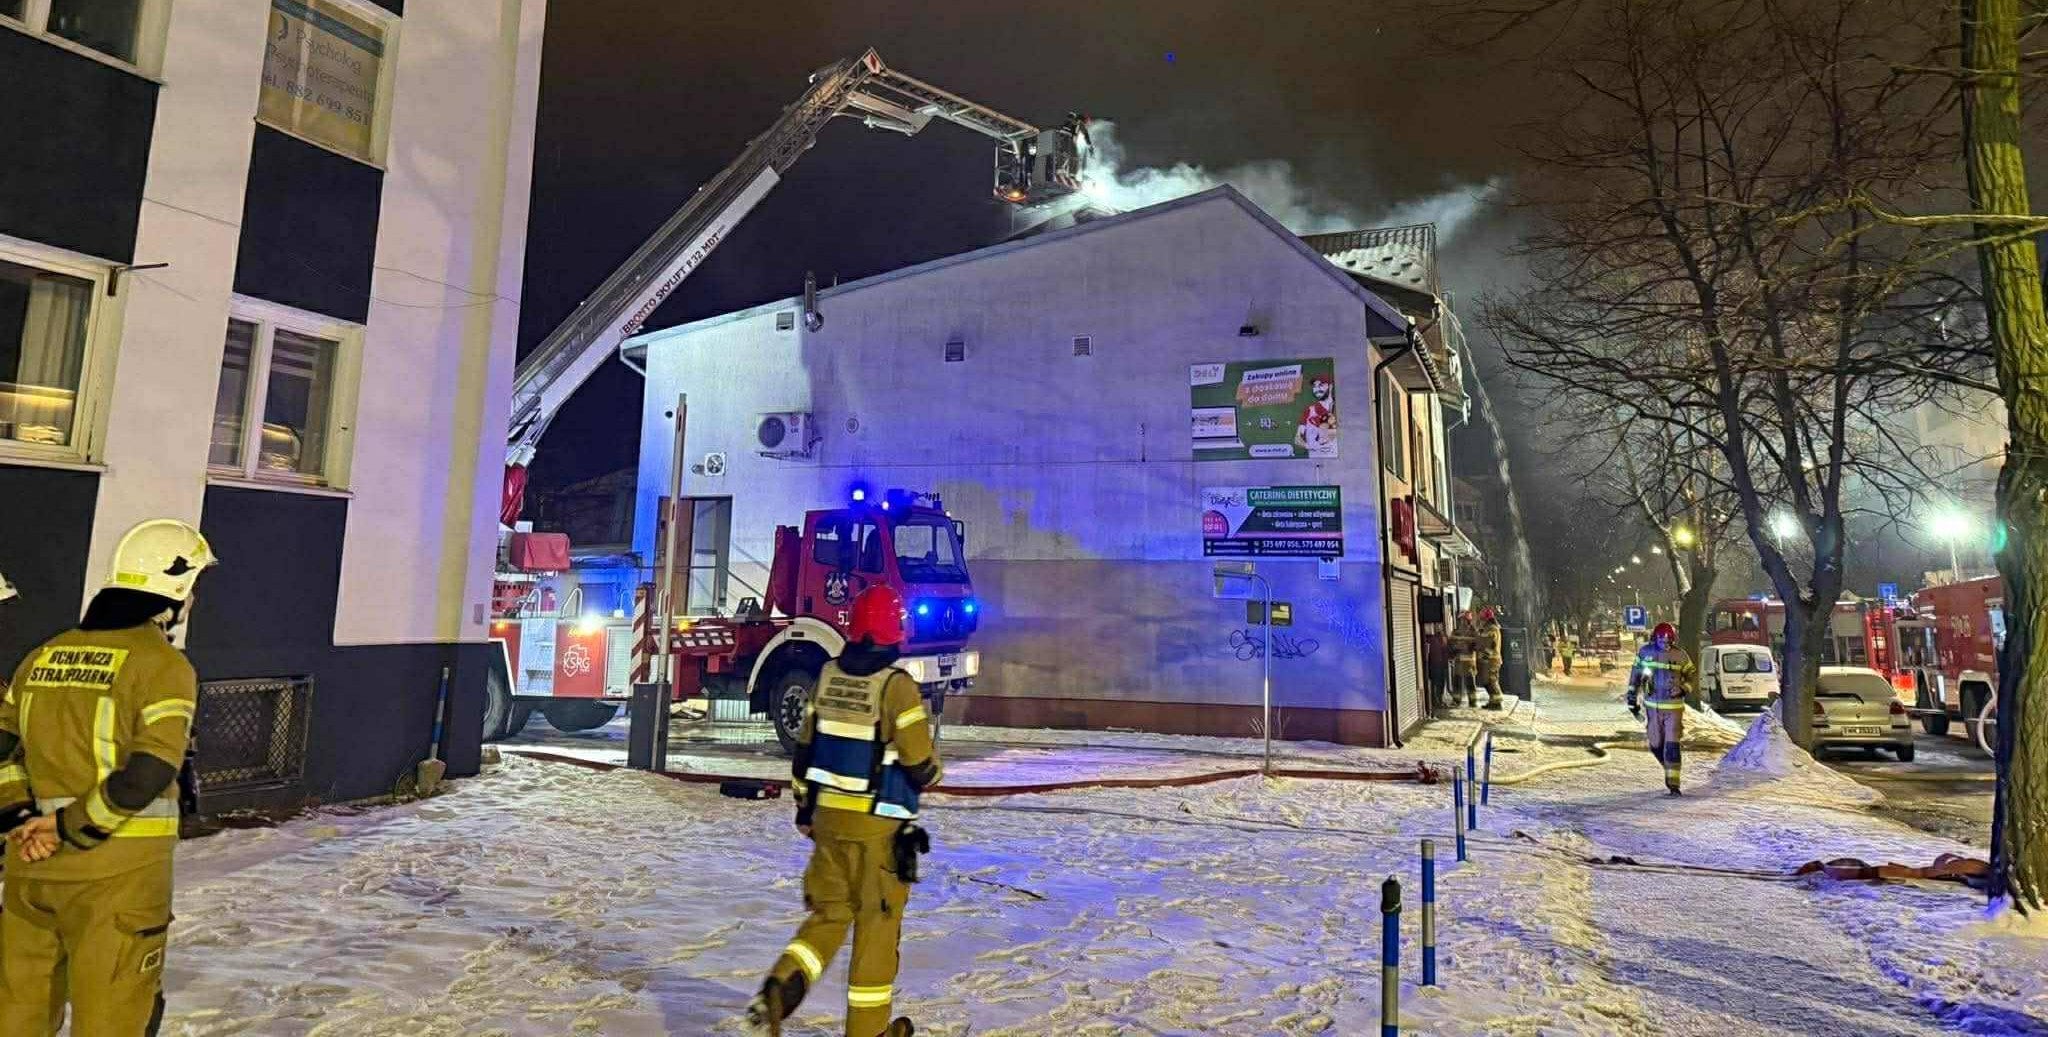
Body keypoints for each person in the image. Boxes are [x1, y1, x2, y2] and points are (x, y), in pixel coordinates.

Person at [0, 519, 217, 1035]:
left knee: (17, 1016)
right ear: (178, 588)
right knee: (114, 1018)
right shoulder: (162, 665)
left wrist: (22, 819)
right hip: (116, 880)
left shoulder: (42, 657)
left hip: (30, 874)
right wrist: (68, 827)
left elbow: (4, 751)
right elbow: (149, 770)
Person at [749, 585, 942, 1037]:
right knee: (876, 931)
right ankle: (868, 1032)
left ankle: (779, 989)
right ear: (894, 630)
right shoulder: (897, 687)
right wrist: (934, 774)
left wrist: (803, 809)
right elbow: (919, 764)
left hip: (827, 828)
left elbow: (805, 751)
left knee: (829, 917)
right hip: (877, 834)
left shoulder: (827, 676)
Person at [1627, 622, 1695, 795]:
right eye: (1661, 638)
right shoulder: (1645, 653)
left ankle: (1674, 784)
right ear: (1654, 637)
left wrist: (1683, 688)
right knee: (1655, 743)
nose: (1664, 642)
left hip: (1674, 708)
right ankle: (1667, 765)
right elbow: (1635, 676)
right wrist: (1632, 698)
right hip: (1652, 707)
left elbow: (1692, 676)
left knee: (1672, 744)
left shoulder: (1680, 655)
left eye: (1668, 639)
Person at [1449, 611, 1481, 707]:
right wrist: (1453, 649)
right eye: (1461, 620)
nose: (1462, 622)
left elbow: (1478, 644)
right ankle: (1456, 700)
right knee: (1457, 682)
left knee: (1470, 683)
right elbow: (1451, 643)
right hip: (1458, 661)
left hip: (1469, 662)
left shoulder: (1473, 631)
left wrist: (1471, 647)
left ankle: (1473, 701)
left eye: (1464, 620)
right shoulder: (1456, 631)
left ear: (1468, 620)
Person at [1476, 607, 1506, 710]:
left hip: (1491, 661)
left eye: (1482, 618)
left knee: (1492, 681)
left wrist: (1484, 657)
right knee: (1486, 681)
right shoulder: (1486, 628)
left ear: (1487, 619)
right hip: (1488, 660)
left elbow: (1491, 644)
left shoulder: (1492, 628)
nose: (1480, 620)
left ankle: (1497, 703)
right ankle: (1493, 702)